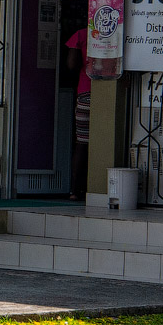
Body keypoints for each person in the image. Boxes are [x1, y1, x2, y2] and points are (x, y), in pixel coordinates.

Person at [63, 25, 92, 199]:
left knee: (82, 143)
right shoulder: (114, 32)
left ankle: (75, 189)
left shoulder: (80, 34)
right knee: (104, 142)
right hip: (107, 93)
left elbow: (71, 65)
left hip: (85, 92)